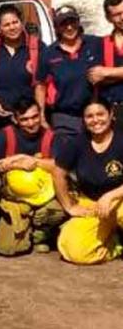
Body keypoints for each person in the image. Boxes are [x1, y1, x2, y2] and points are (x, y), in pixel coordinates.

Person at [0, 99, 65, 255]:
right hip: (14, 200)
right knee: (8, 249)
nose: (31, 123)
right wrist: (16, 164)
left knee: (58, 210)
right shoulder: (3, 136)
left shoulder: (52, 136)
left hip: (46, 198)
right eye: (24, 119)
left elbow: (60, 166)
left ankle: (41, 234)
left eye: (35, 117)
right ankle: (24, 226)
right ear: (15, 119)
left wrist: (32, 160)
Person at [53, 99, 123, 264]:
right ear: (83, 120)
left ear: (111, 114)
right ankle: (115, 245)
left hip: (120, 201)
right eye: (89, 116)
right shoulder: (76, 143)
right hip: (92, 205)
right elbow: (58, 173)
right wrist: (69, 206)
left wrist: (112, 195)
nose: (95, 120)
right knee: (74, 251)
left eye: (100, 114)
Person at [0, 5, 45, 133]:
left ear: (21, 23)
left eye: (15, 22)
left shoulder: (37, 47)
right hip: (1, 120)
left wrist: (41, 114)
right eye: (6, 25)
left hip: (30, 120)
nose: (12, 27)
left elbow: (41, 84)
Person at [36, 5, 103, 143]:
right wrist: (41, 115)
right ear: (56, 27)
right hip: (65, 118)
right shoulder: (49, 53)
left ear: (78, 22)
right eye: (63, 24)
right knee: (67, 159)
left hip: (96, 115)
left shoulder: (96, 44)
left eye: (72, 22)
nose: (69, 27)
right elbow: (40, 86)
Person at [90, 0, 123, 130]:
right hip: (112, 111)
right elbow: (95, 77)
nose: (122, 18)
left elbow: (103, 75)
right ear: (108, 18)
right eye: (116, 14)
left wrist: (108, 72)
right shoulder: (101, 44)